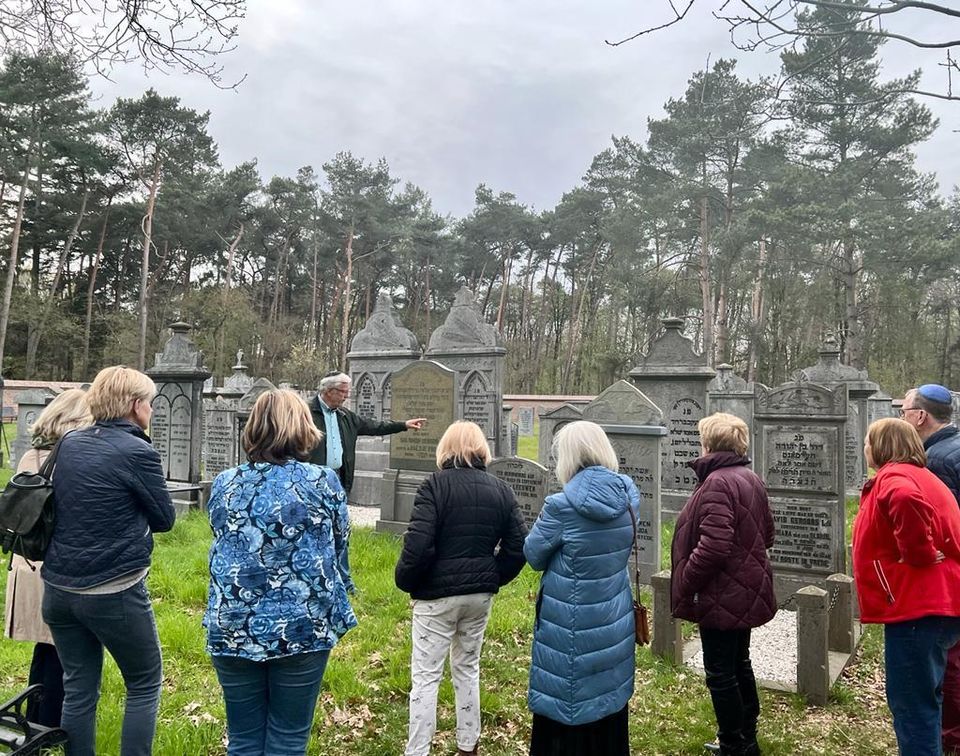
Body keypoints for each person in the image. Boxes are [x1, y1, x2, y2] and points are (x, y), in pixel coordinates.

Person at [205, 389, 357, 756]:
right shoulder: (323, 482)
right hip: (303, 626)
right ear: (302, 427)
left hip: (233, 623)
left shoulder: (225, 482)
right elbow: (340, 547)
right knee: (288, 739)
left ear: (253, 428)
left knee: (242, 740)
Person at [41, 366, 176, 756]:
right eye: (150, 403)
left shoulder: (69, 442)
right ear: (135, 407)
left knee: (79, 686)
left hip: (59, 589)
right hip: (113, 588)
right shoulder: (137, 450)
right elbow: (165, 519)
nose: (151, 410)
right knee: (145, 683)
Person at [395, 420, 527, 756]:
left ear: (445, 448)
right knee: (467, 669)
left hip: (436, 599)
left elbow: (419, 544)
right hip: (478, 597)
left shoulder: (434, 486)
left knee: (426, 678)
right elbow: (517, 546)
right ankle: (468, 746)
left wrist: (408, 582)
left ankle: (418, 750)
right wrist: (492, 576)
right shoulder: (501, 490)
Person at [524, 420, 640, 756]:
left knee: (568, 706)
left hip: (570, 628)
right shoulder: (629, 498)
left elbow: (533, 554)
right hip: (614, 620)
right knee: (607, 698)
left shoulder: (561, 507)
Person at [670, 412, 775, 756]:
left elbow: (714, 544)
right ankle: (747, 737)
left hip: (721, 591)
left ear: (709, 443)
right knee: (738, 662)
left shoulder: (717, 482)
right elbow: (768, 534)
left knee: (720, 672)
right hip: (744, 588)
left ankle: (732, 744)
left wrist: (687, 580)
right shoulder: (749, 477)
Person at [854, 417, 960, 756]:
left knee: (912, 705)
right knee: (924, 697)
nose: (865, 448)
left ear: (883, 446)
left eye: (869, 442)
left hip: (918, 608)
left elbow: (904, 500)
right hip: (933, 603)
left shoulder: (895, 478)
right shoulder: (921, 475)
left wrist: (919, 553)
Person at [4, 388, 92, 727]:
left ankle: (33, 719)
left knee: (45, 650)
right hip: (54, 567)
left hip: (27, 564)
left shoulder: (33, 457)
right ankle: (51, 727)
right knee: (62, 653)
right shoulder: (70, 463)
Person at [901, 383, 960, 754]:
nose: (902, 418)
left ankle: (949, 738)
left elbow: (938, 528)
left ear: (920, 417)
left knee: (948, 662)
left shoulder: (936, 462)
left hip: (945, 582)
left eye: (904, 412)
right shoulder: (950, 449)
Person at [308, 371, 425, 496]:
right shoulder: (305, 413)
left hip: (338, 478)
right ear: (329, 391)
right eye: (343, 391)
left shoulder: (345, 416)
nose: (346, 396)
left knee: (337, 515)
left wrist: (403, 425)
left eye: (347, 392)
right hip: (311, 478)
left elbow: (374, 426)